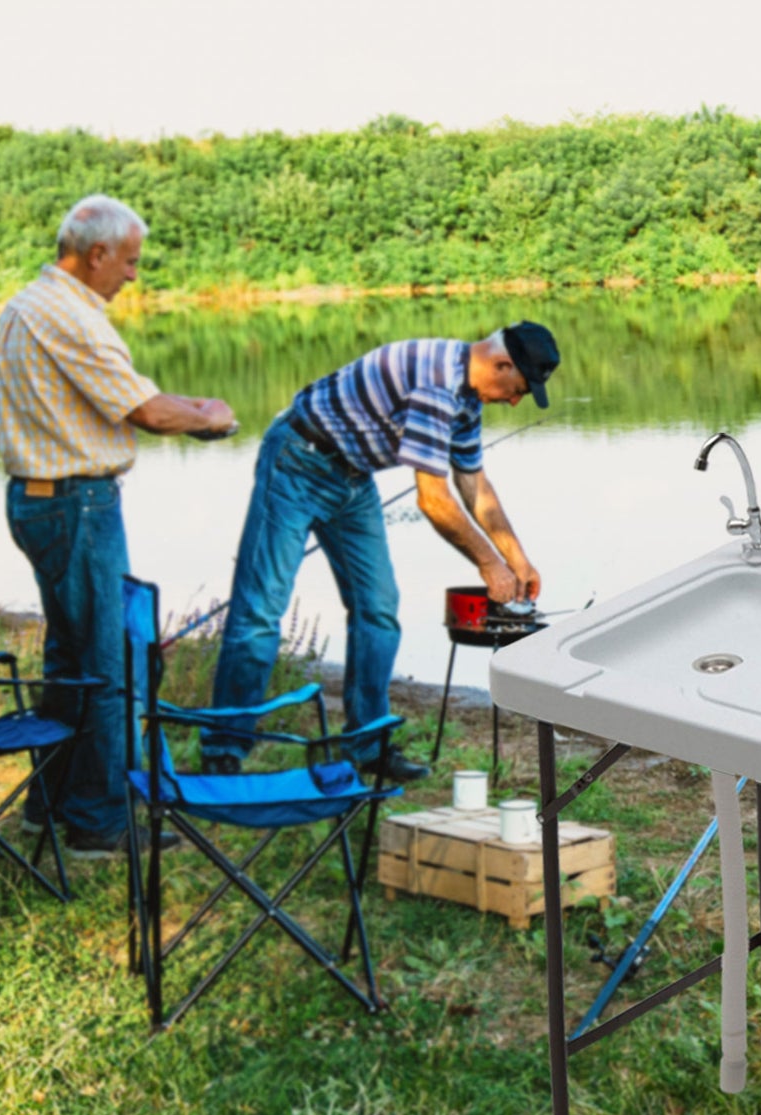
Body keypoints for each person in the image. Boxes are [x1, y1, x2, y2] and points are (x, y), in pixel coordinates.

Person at [200, 323, 560, 782]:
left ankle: (367, 745)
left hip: (352, 480)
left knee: (379, 610)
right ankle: (223, 748)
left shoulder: (468, 398)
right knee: (260, 609)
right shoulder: (437, 383)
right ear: (502, 364)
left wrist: (518, 559)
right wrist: (488, 563)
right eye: (519, 390)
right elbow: (433, 500)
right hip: (296, 461)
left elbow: (474, 485)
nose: (514, 402)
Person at [0, 194, 237, 858]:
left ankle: (51, 805)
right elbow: (147, 412)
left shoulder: (31, 302)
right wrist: (211, 418)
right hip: (76, 505)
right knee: (109, 666)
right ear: (96, 254)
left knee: (71, 661)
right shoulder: (71, 315)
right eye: (128, 261)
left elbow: (125, 395)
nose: (133, 274)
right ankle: (99, 824)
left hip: (41, 499)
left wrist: (187, 403)